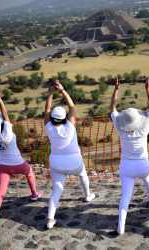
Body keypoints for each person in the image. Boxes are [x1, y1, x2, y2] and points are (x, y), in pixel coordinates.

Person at [0, 89, 42, 227]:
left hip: (3, 166)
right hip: (18, 164)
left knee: (0, 193)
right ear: (4, 123)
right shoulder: (8, 133)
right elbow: (5, 114)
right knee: (29, 171)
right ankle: (34, 194)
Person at [44, 80, 96, 229]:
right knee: (83, 175)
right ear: (64, 118)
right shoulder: (71, 126)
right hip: (74, 162)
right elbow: (72, 106)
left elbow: (47, 109)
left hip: (56, 164)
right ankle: (88, 195)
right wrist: (63, 90)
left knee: (57, 190)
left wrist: (50, 93)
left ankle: (50, 219)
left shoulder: (48, 127)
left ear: (53, 119)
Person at [110, 76, 149, 235]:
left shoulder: (120, 129)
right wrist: (148, 89)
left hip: (127, 167)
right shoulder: (144, 129)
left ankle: (121, 227)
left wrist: (116, 89)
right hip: (143, 165)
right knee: (148, 180)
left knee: (125, 197)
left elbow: (112, 109)